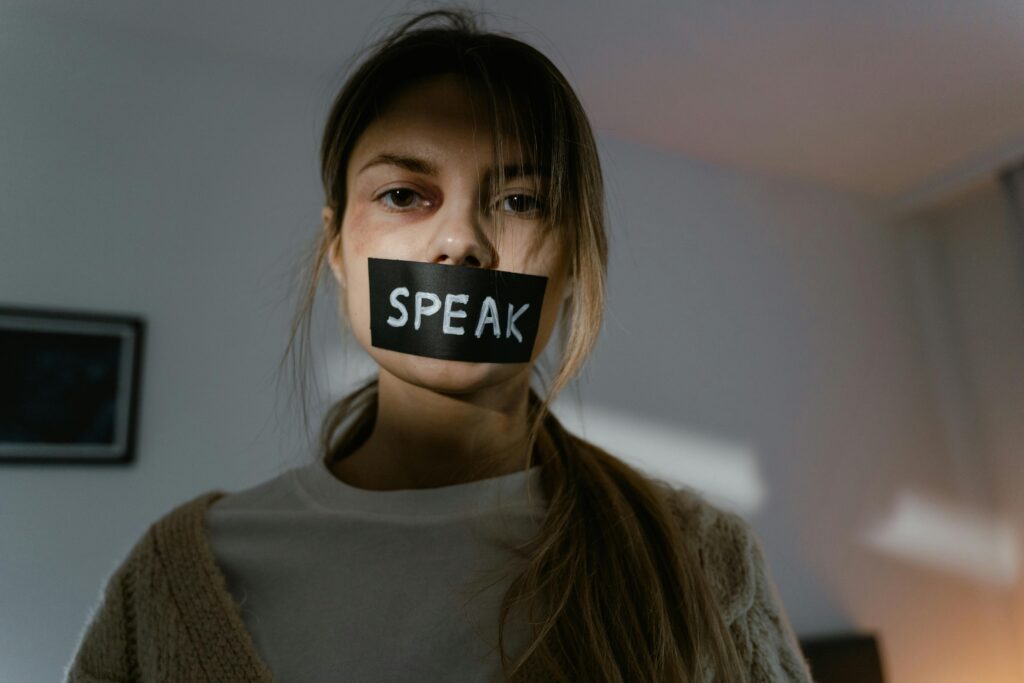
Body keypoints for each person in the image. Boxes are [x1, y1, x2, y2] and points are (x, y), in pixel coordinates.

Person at [65, 8, 814, 682]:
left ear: (573, 260)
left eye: (520, 201)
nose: (460, 239)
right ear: (336, 247)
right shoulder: (170, 582)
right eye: (403, 194)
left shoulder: (703, 561)